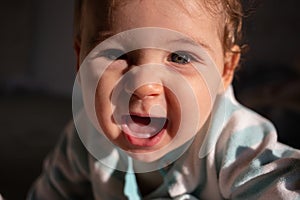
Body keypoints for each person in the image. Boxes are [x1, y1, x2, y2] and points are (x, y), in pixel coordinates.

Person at [28, 0, 300, 199]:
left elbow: (282, 184)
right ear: (80, 60)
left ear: (225, 70)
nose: (144, 86)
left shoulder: (234, 140)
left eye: (179, 58)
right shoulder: (84, 138)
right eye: (117, 55)